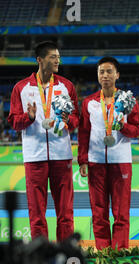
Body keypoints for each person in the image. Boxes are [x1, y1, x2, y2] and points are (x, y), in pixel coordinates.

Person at [8, 41, 79, 242]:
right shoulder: (20, 88)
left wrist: (68, 121)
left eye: (58, 56)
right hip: (34, 156)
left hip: (62, 155)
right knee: (37, 213)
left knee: (65, 212)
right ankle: (41, 255)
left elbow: (76, 119)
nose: (58, 60)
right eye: (53, 57)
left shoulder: (67, 86)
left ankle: (66, 252)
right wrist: (28, 118)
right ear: (40, 60)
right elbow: (14, 122)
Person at [78, 57, 139, 249]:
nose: (105, 75)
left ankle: (120, 251)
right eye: (101, 72)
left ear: (117, 75)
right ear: (98, 76)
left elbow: (138, 128)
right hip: (95, 162)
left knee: (121, 211)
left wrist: (123, 126)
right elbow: (83, 133)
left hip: (121, 161)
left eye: (109, 71)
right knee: (99, 211)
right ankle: (103, 252)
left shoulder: (128, 101)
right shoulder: (89, 102)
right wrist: (83, 160)